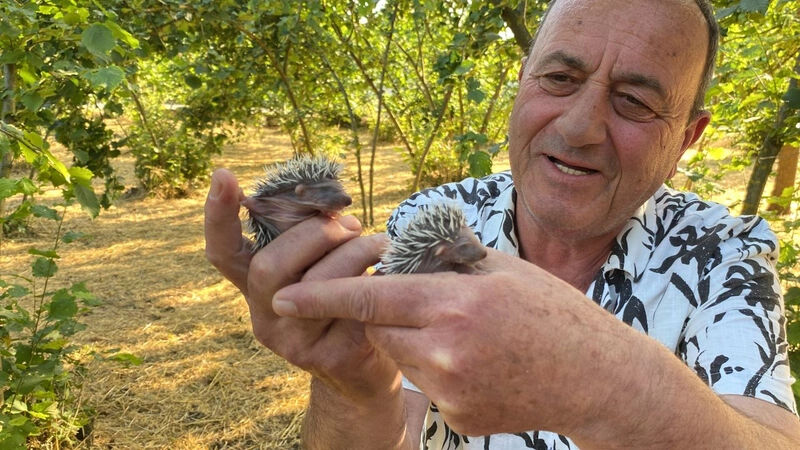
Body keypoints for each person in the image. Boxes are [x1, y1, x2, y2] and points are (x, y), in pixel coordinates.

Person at [204, 0, 800, 448]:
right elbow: (394, 430)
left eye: (635, 102)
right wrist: (354, 387)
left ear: (687, 139)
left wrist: (594, 373)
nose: (578, 128)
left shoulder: (723, 255)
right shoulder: (434, 218)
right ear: (522, 81)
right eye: (560, 79)